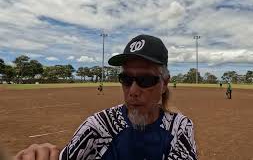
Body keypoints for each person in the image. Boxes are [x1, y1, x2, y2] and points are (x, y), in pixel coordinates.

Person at [15, 34, 197, 160]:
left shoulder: (179, 129)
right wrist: (43, 154)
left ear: (164, 83)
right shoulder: (98, 127)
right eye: (126, 79)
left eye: (145, 80)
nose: (133, 91)